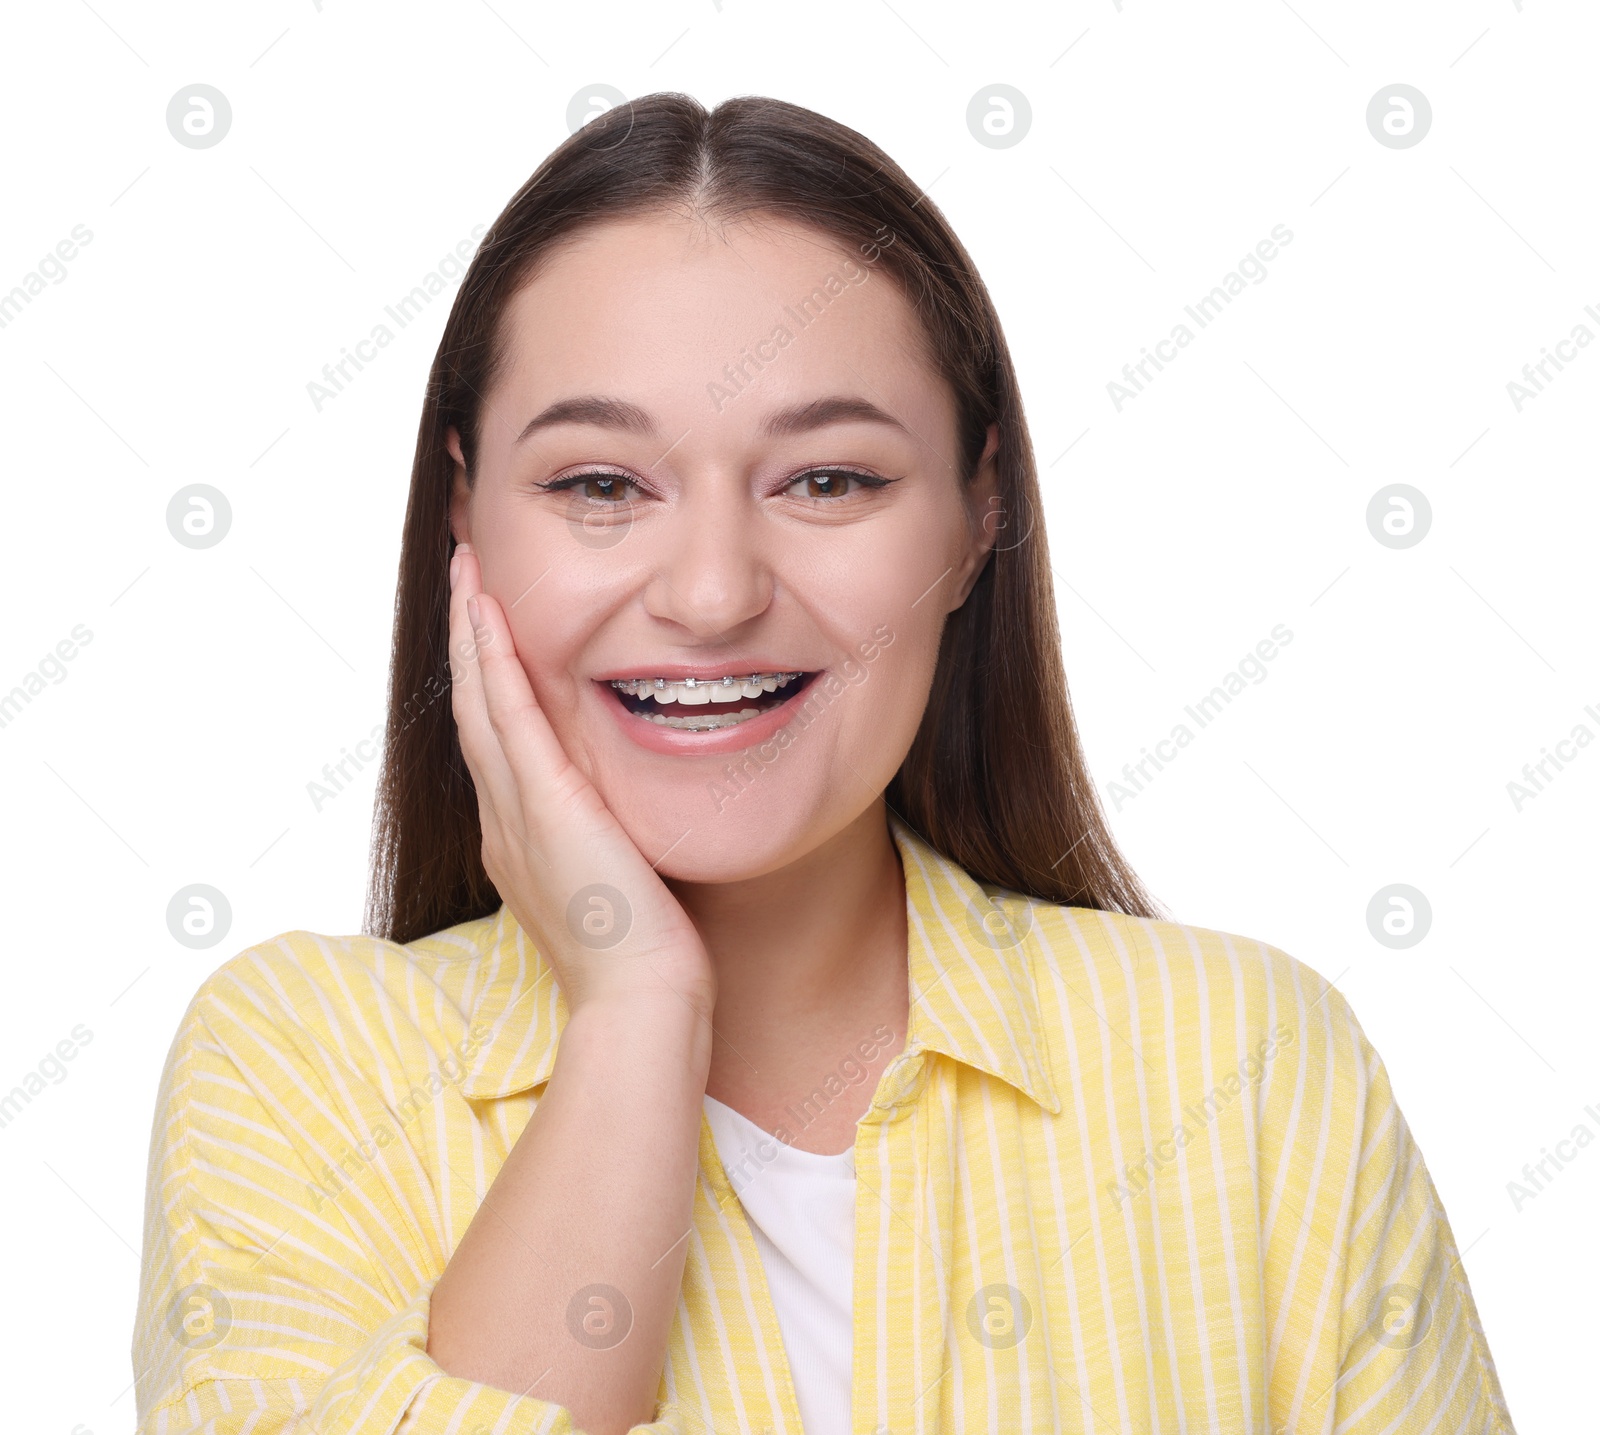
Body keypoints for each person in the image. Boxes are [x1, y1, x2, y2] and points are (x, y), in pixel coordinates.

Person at [132, 92, 1515, 1435]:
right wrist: (631, 1007)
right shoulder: (295, 1073)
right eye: (600, 485)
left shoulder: (1250, 1069)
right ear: (465, 519)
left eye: (829, 481)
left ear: (979, 516)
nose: (716, 592)